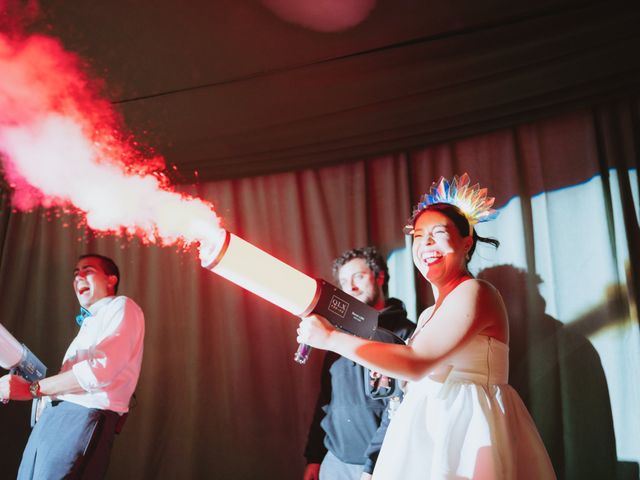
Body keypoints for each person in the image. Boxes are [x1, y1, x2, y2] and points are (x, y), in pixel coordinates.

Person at [298, 174, 556, 479]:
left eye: (438, 233)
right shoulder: (428, 315)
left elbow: (416, 363)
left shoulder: (476, 292)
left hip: (467, 434)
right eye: (418, 236)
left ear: (466, 241)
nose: (426, 243)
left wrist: (330, 338)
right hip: (429, 433)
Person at [0, 254, 145, 479]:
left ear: (111, 279)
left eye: (88, 271)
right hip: (50, 420)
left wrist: (31, 389)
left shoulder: (122, 306)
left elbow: (98, 371)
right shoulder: (90, 323)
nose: (78, 277)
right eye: (75, 274)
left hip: (79, 417)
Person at [303, 247, 415, 480]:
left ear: (380, 277)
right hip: (334, 461)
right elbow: (326, 401)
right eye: (344, 281)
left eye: (359, 277)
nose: (351, 287)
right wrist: (315, 457)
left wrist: (372, 466)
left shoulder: (405, 334)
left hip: (382, 464)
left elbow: (400, 408)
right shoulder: (335, 336)